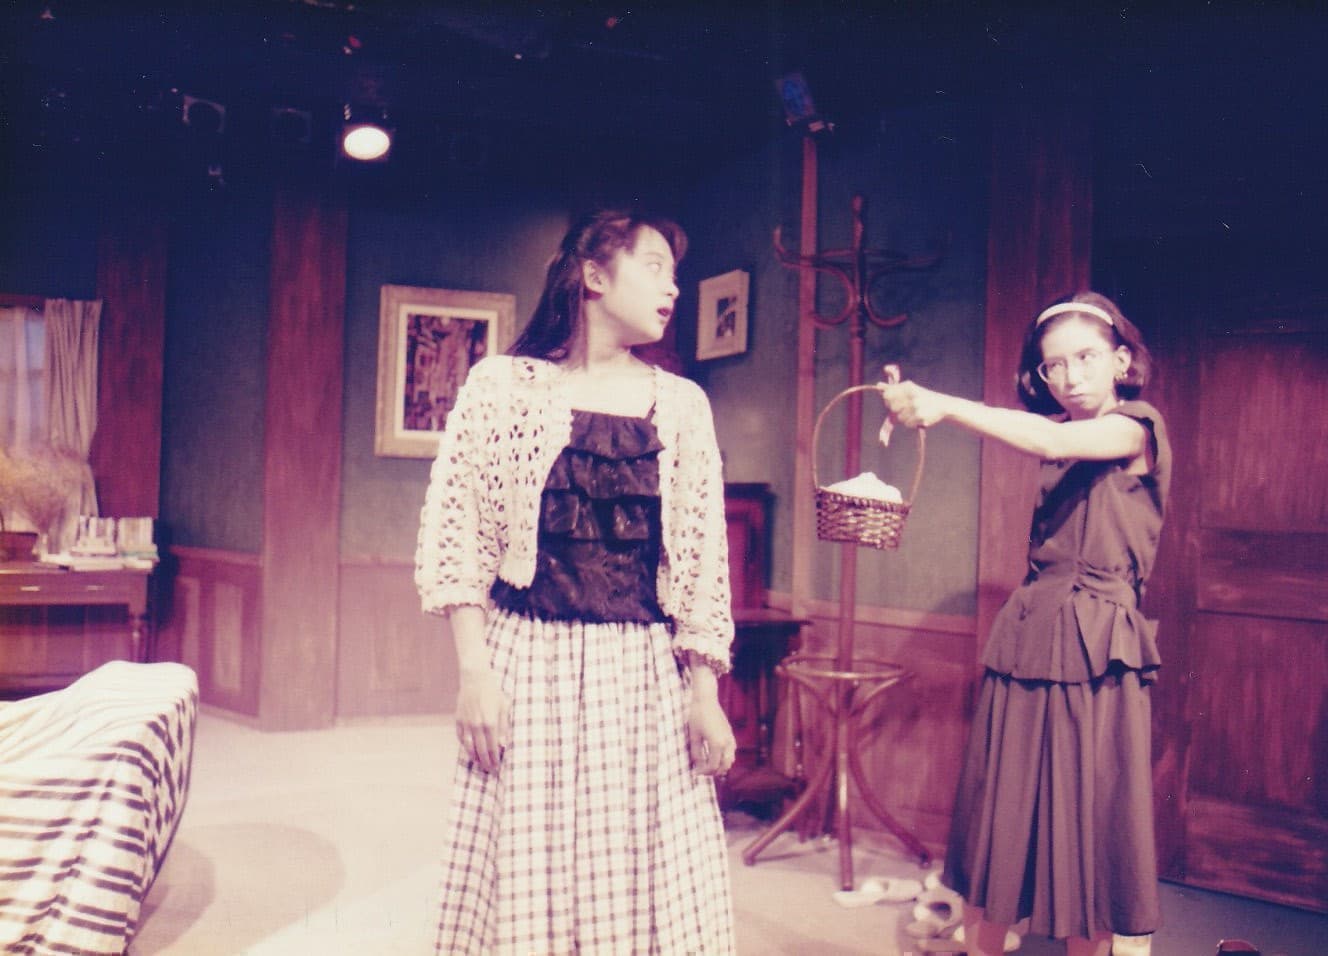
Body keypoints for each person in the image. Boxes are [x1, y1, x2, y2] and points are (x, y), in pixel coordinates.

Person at [414, 209, 737, 955]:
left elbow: (700, 565)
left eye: (676, 275)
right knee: (528, 872)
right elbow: (461, 539)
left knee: (645, 873)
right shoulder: (502, 389)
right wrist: (474, 675)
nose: (673, 289)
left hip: (642, 674)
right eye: (654, 268)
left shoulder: (683, 406)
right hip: (527, 662)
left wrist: (705, 696)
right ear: (594, 275)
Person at [879, 292, 1170, 956]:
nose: (1069, 376)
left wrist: (945, 405)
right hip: (1032, 630)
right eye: (1053, 365)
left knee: (1089, 821)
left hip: (1098, 644)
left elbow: (1056, 437)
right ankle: (982, 944)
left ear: (1122, 361)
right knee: (1004, 810)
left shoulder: (1136, 427)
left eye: (1086, 358)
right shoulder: (1060, 436)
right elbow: (1052, 438)